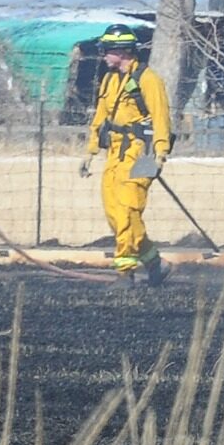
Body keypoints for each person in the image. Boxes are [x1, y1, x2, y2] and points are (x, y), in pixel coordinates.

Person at [79, 24, 172, 283]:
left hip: (143, 153)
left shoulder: (149, 80)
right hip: (116, 152)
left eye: (107, 50)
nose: (104, 55)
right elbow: (100, 117)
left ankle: (125, 271)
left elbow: (161, 117)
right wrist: (90, 151)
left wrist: (160, 153)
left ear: (121, 51)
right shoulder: (110, 79)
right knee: (113, 211)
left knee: (128, 210)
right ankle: (155, 263)